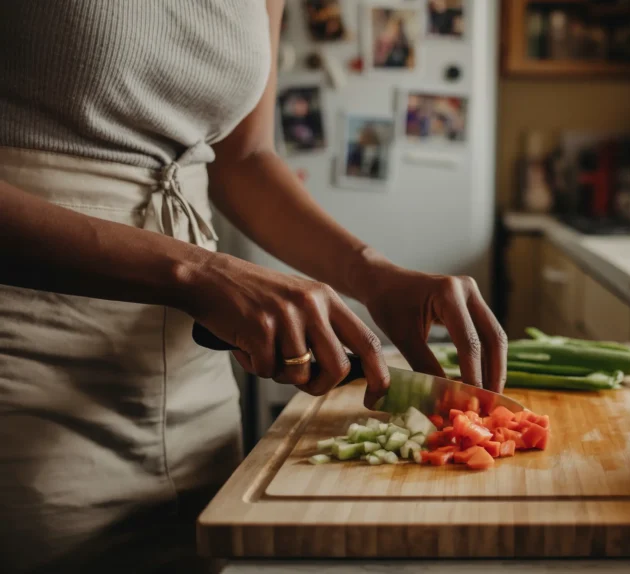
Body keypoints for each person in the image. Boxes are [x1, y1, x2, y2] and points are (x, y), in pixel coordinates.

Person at [0, 1, 507, 572]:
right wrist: (195, 271)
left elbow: (244, 157)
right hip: (26, 359)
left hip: (189, 372)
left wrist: (373, 273)